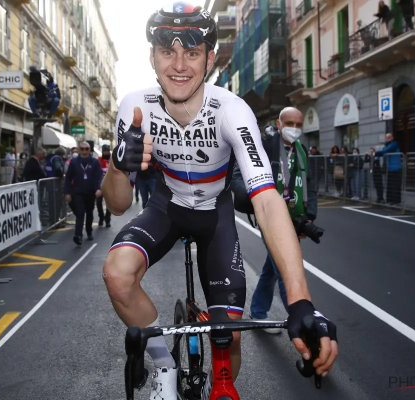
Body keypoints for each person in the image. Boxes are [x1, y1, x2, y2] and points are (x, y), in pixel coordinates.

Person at [101, 5, 338, 400]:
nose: (179, 65)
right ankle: (164, 365)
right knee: (117, 275)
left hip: (216, 215)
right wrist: (116, 165)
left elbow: (267, 201)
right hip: (167, 207)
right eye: (167, 51)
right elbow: (117, 205)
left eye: (192, 53)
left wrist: (300, 301)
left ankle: (219, 386)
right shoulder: (135, 107)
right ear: (152, 57)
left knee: (229, 336)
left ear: (209, 59)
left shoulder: (232, 110)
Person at [248, 107, 316, 334]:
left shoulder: (302, 150)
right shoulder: (266, 147)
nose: (294, 129)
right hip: (271, 218)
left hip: (295, 218)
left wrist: (308, 217)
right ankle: (304, 325)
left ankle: (258, 312)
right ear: (279, 124)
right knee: (285, 269)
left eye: (298, 125)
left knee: (272, 268)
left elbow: (310, 184)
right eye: (289, 124)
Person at [64, 142, 103, 245]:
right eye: (82, 149)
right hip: (78, 192)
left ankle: (89, 231)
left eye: (86, 149)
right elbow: (68, 178)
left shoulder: (94, 162)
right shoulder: (74, 162)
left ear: (89, 150)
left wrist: (98, 188)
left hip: (90, 191)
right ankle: (78, 235)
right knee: (80, 213)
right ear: (79, 150)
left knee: (89, 212)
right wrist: (67, 192)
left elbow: (99, 176)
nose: (84, 151)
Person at [372, 133, 402, 205]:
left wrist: (375, 153)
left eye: (389, 137)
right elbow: (383, 152)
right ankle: (390, 200)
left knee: (395, 185)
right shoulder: (386, 146)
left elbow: (386, 151)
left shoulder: (394, 144)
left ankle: (396, 201)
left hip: (396, 168)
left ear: (393, 137)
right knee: (390, 185)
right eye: (386, 137)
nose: (388, 138)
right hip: (389, 168)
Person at [97, 144, 112, 227]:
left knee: (109, 203)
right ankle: (101, 217)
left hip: (110, 184)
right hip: (100, 184)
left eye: (107, 151)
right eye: (104, 151)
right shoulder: (99, 159)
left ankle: (107, 220)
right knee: (98, 202)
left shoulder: (112, 159)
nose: (106, 152)